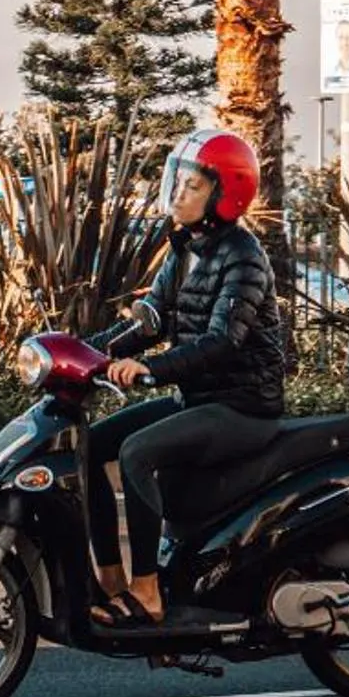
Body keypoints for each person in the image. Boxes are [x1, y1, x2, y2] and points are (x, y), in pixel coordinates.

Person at [87, 125, 287, 626]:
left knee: (136, 452)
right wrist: (86, 355)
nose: (179, 193)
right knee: (89, 446)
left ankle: (147, 591)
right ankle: (111, 580)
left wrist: (149, 368)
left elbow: (222, 341)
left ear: (225, 195)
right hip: (200, 399)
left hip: (243, 406)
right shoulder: (185, 249)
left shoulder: (245, 258)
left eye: (193, 186)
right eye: (179, 181)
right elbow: (151, 318)